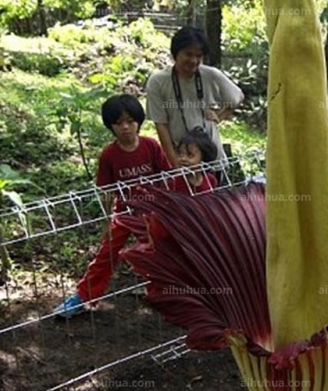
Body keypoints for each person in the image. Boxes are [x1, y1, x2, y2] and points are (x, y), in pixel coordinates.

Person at [53, 94, 172, 319]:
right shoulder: (109, 154)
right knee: (106, 253)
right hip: (124, 211)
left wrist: (165, 209)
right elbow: (107, 190)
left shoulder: (151, 146)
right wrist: (108, 220)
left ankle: (165, 294)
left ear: (139, 121)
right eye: (119, 123)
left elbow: (166, 176)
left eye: (130, 121)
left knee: (157, 252)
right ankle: (83, 296)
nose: (125, 127)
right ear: (111, 126)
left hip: (152, 211)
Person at [145, 26, 244, 167]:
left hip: (211, 157)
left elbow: (237, 97)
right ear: (175, 54)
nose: (194, 60)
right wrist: (175, 164)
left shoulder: (210, 75)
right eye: (188, 54)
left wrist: (218, 116)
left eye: (199, 56)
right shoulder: (158, 82)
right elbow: (161, 125)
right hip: (181, 158)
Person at [167, 127, 219, 195]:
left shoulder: (211, 180)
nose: (183, 159)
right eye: (180, 154)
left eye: (190, 155)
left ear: (204, 158)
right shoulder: (174, 182)